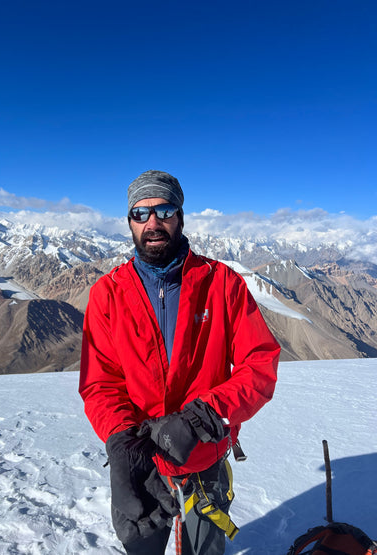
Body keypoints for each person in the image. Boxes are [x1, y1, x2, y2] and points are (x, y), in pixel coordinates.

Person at [79, 170, 281, 555]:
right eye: (141, 213)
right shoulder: (108, 294)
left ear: (181, 217)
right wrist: (121, 438)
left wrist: (205, 415)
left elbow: (261, 364)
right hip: (141, 461)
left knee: (204, 549)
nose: (152, 222)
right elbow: (99, 382)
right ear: (129, 222)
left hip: (204, 456)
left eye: (164, 209)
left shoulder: (222, 283)